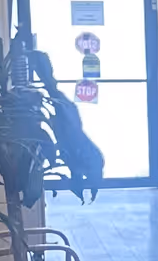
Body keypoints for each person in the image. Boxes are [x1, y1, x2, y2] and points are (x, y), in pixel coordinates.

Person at [28, 47, 105, 198]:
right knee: (54, 92)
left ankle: (39, 62)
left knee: (54, 92)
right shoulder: (87, 158)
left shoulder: (84, 159)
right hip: (68, 122)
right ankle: (39, 62)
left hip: (68, 123)